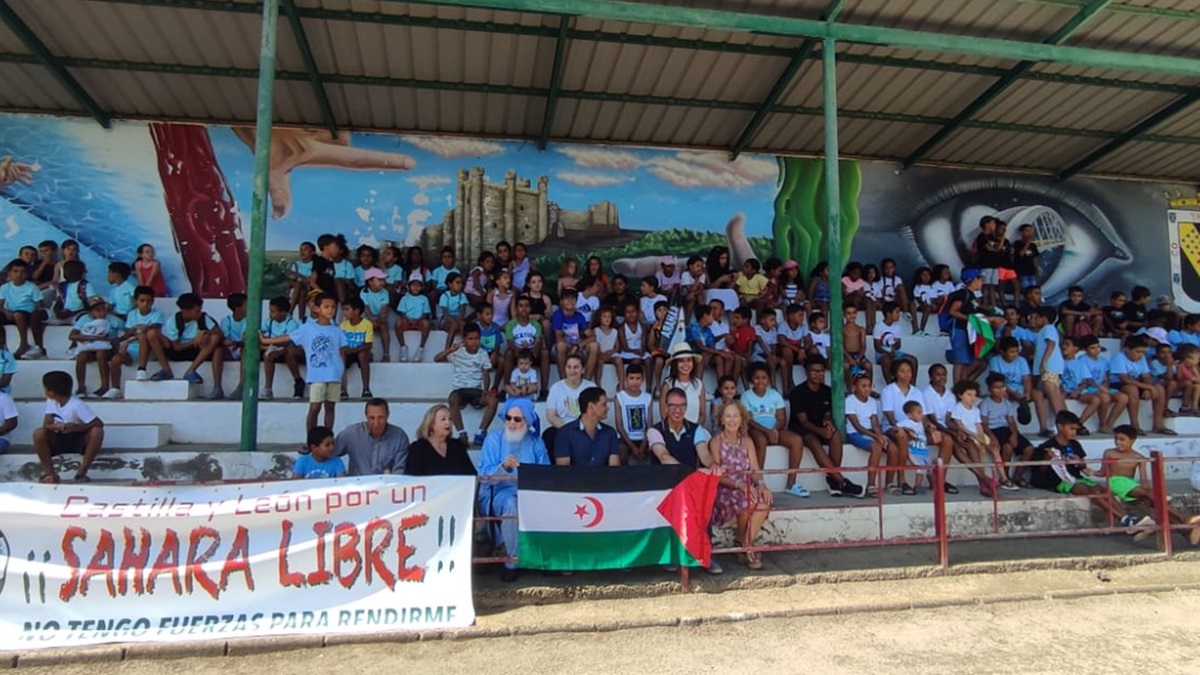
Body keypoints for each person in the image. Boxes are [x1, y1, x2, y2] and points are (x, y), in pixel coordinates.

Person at [477, 397, 550, 582]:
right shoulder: (494, 439)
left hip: (531, 493)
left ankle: (544, 559)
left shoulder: (536, 442)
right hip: (501, 492)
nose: (511, 423)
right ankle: (512, 562)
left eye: (517, 419)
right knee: (511, 504)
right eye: (508, 418)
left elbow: (545, 472)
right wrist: (503, 468)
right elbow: (484, 475)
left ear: (526, 421)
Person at [1030, 411, 1138, 528]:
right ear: (1060, 427)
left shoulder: (1075, 444)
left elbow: (1083, 467)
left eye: (1075, 429)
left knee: (1103, 491)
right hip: (1061, 482)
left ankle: (1126, 516)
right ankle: (1123, 519)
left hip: (1078, 478)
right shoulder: (1047, 446)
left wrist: (1079, 462)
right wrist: (1047, 458)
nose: (1074, 432)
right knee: (1091, 491)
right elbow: (1039, 471)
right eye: (1071, 429)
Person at [1099, 425, 1200, 544]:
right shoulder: (1109, 453)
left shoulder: (1139, 457)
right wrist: (1089, 471)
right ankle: (1183, 519)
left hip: (1131, 485)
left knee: (1155, 502)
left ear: (1132, 440)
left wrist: (1149, 494)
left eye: (1122, 439)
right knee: (1154, 495)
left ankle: (1186, 533)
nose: (1117, 442)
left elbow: (1144, 480)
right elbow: (1102, 472)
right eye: (1116, 439)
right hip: (1115, 482)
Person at [263, 293, 346, 432]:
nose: (330, 310)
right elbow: (288, 338)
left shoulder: (337, 330)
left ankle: (327, 437)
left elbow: (341, 352)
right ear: (316, 308)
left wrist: (343, 375)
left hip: (334, 375)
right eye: (326, 307)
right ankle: (311, 439)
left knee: (330, 408)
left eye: (333, 307)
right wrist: (267, 341)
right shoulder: (308, 328)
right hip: (317, 375)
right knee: (315, 408)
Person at [788, 357, 868, 498]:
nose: (819, 374)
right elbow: (803, 421)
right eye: (814, 371)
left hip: (820, 426)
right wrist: (821, 431)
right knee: (813, 441)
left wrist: (828, 423)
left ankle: (832, 479)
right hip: (801, 428)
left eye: (821, 371)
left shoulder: (827, 391)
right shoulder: (798, 392)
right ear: (806, 372)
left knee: (836, 435)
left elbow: (827, 413)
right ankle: (842, 482)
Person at [710, 399, 772, 570]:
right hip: (725, 489)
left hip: (746, 487)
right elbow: (717, 475)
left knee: (763, 499)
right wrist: (739, 485)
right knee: (748, 499)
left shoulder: (747, 441)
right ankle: (747, 548)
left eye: (735, 416)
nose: (732, 420)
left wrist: (761, 484)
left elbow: (755, 469)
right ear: (722, 420)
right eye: (728, 416)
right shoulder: (716, 442)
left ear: (742, 419)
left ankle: (745, 543)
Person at [743, 362, 808, 496]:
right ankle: (757, 482)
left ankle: (791, 483)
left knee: (797, 440)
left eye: (764, 377)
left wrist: (774, 430)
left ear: (768, 379)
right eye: (757, 377)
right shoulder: (746, 395)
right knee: (760, 441)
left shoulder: (775, 394)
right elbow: (748, 420)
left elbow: (782, 418)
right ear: (751, 379)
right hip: (756, 429)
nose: (761, 381)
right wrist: (767, 432)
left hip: (774, 429)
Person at [33, 370, 104, 484]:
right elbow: (46, 423)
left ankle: (82, 471)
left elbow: (98, 423)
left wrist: (76, 428)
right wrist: (55, 427)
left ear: (51, 392)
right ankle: (50, 473)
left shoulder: (77, 404)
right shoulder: (51, 401)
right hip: (59, 437)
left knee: (97, 432)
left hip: (78, 439)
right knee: (39, 433)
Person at [437, 322, 498, 448]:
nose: (474, 342)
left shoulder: (482, 353)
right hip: (460, 391)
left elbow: (485, 372)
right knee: (452, 398)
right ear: (464, 339)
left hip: (476, 391)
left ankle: (481, 432)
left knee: (493, 400)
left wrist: (485, 389)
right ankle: (462, 433)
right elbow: (437, 358)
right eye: (470, 339)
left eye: (477, 338)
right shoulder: (458, 352)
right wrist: (450, 350)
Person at [1110, 335, 1174, 436]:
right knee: (1132, 389)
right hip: (1116, 384)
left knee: (1159, 389)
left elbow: (1146, 376)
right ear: (1127, 349)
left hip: (1135, 383)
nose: (1141, 355)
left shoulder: (1141, 358)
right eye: (1138, 351)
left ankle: (1158, 425)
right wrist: (1148, 387)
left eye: (1143, 352)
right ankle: (1135, 424)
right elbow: (1125, 379)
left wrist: (1147, 389)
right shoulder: (1119, 358)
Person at [160, 293, 225, 389]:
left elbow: (219, 333)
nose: (199, 313)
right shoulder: (173, 321)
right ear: (185, 311)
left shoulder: (203, 318)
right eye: (196, 311)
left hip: (199, 351)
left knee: (217, 344)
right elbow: (177, 347)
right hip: (179, 352)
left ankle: (195, 373)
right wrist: (195, 341)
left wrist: (205, 333)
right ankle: (166, 370)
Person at [980, 374, 1032, 488]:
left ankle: (1017, 477)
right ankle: (1005, 477)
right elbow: (983, 423)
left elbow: (1011, 421)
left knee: (1029, 449)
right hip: (994, 430)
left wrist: (1014, 434)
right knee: (1007, 448)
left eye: (1002, 387)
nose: (1000, 390)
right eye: (996, 387)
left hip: (1007, 429)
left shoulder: (1007, 403)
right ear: (989, 389)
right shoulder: (985, 403)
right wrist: (992, 436)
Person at [335, 398, 411, 476]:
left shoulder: (399, 437)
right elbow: (328, 453)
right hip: (357, 485)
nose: (376, 423)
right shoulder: (351, 433)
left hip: (386, 486)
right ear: (366, 415)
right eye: (372, 418)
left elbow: (399, 472)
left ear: (388, 415)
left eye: (380, 417)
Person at [844, 373, 891, 495]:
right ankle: (871, 483)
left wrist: (881, 435)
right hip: (855, 433)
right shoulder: (849, 401)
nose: (867, 389)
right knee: (876, 447)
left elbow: (874, 422)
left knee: (893, 448)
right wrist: (876, 437)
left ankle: (890, 483)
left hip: (870, 432)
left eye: (869, 386)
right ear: (855, 387)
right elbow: (857, 427)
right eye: (863, 386)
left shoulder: (872, 401)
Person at [553, 386, 620, 467]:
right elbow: (563, 472)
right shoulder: (564, 434)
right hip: (575, 479)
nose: (608, 408)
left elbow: (614, 469)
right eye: (604, 404)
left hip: (604, 479)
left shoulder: (610, 433)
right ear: (591, 406)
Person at [405, 404, 478, 477]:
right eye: (443, 419)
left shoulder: (457, 445)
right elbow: (411, 479)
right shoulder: (418, 448)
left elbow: (471, 475)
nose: (448, 423)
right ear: (431, 424)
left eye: (450, 419)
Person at [69, 296, 121, 398]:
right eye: (98, 310)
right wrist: (93, 337)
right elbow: (72, 336)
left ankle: (104, 386)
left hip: (108, 348)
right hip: (90, 347)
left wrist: (113, 340)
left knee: (100, 354)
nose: (102, 312)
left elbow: (126, 331)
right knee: (81, 356)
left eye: (103, 308)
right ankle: (81, 388)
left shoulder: (113, 320)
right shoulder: (85, 319)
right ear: (90, 312)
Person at [543, 353, 596, 452]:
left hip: (586, 429)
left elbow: (596, 414)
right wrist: (569, 431)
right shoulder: (556, 387)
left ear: (583, 370)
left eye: (576, 367)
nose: (572, 371)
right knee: (549, 434)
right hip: (563, 427)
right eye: (569, 367)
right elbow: (551, 416)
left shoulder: (591, 387)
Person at [504, 296, 550, 401]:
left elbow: (538, 340)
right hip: (517, 352)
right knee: (508, 353)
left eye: (526, 306)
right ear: (516, 309)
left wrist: (533, 352)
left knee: (545, 352)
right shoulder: (511, 325)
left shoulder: (536, 325)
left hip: (532, 352)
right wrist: (518, 352)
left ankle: (544, 390)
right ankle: (506, 388)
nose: (524, 309)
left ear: (530, 308)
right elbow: (510, 341)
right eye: (521, 306)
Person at [0, 258, 47, 359]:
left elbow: (38, 304)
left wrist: (35, 311)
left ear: (26, 274)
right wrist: (5, 310)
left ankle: (24, 344)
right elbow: (1, 304)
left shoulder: (32, 287)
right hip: (10, 312)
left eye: (22, 272)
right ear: (9, 273)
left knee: (18, 315)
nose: (18, 274)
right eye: (15, 271)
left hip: (27, 313)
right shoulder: (5, 287)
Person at [259, 296, 305, 400]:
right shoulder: (269, 322)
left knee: (289, 351)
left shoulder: (291, 323)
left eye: (273, 311)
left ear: (283, 312)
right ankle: (268, 388)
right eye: (270, 311)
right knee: (268, 356)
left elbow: (288, 341)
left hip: (288, 348)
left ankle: (298, 381)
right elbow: (260, 333)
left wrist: (269, 341)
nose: (270, 313)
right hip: (274, 347)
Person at [616, 363, 653, 464]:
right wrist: (632, 446)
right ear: (626, 379)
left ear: (643, 379)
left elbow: (649, 425)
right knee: (620, 451)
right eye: (631, 378)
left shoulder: (647, 397)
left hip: (643, 438)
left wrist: (643, 445)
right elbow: (619, 425)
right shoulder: (620, 397)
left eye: (638, 378)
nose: (635, 382)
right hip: (626, 439)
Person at [340, 296, 374, 399]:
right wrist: (346, 349)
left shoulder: (367, 324)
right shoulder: (343, 325)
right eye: (344, 310)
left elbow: (368, 344)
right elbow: (341, 342)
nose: (344, 312)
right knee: (340, 353)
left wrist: (352, 350)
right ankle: (343, 389)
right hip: (348, 353)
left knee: (363, 354)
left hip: (362, 351)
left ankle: (366, 389)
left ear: (356, 311)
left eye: (347, 309)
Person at [395, 272, 432, 363]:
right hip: (407, 321)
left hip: (419, 321)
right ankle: (403, 347)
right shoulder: (405, 298)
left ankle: (421, 348)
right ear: (409, 286)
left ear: (422, 287)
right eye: (413, 285)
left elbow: (425, 313)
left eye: (418, 285)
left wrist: (418, 320)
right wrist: (408, 320)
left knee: (426, 324)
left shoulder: (424, 299)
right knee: (398, 323)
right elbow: (402, 312)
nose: (415, 287)